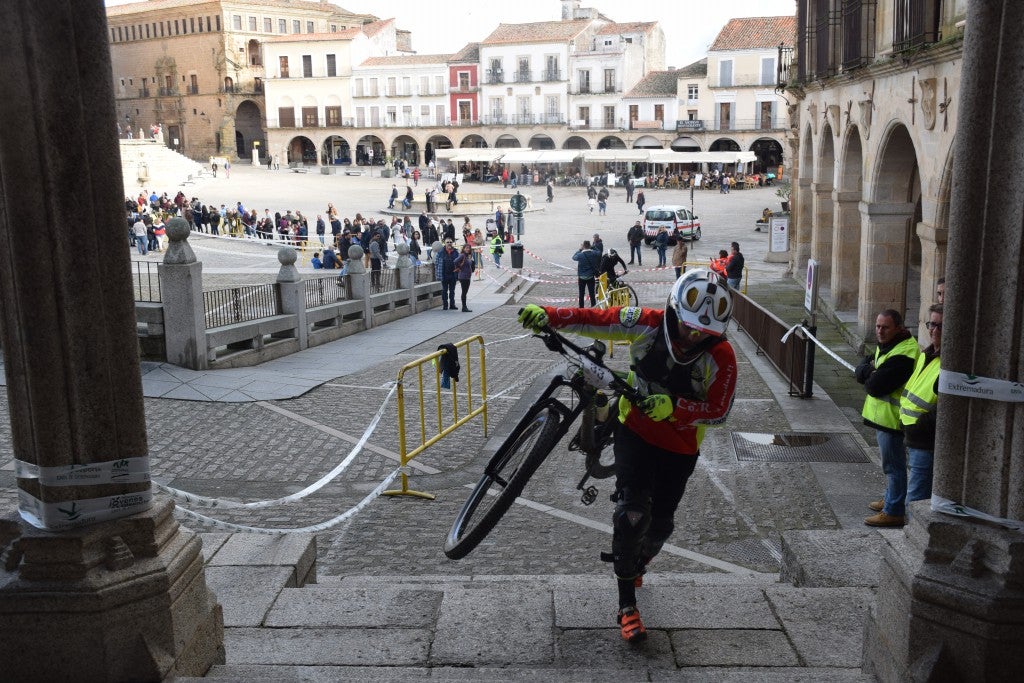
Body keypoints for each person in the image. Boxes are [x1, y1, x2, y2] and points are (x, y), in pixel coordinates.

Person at [516, 270, 738, 642]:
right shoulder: (648, 324)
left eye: (705, 333)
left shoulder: (722, 356)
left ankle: (639, 563)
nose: (694, 336)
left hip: (680, 449)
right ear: (673, 310)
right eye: (688, 326)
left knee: (660, 526)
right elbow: (597, 320)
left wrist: (676, 409)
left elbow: (721, 410)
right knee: (632, 515)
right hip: (634, 430)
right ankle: (626, 606)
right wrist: (549, 315)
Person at [855, 309, 920, 527]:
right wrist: (869, 370)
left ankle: (893, 509)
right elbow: (860, 369)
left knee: (894, 466)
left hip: (893, 419)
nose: (879, 331)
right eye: (877, 326)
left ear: (899, 328)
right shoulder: (888, 345)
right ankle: (891, 497)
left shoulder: (903, 354)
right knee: (890, 465)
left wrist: (870, 372)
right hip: (883, 418)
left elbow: (874, 386)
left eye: (885, 327)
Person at [900, 304, 942, 515]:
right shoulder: (926, 354)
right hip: (911, 434)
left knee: (915, 500)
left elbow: (943, 410)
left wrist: (918, 426)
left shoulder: (948, 365)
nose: (933, 330)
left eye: (939, 326)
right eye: (931, 324)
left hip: (925, 439)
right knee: (915, 492)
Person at [573, 240, 602, 307]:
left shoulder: (580, 255)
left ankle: (581, 308)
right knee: (592, 294)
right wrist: (593, 247)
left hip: (582, 277)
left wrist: (580, 249)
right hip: (590, 276)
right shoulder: (593, 253)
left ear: (583, 246)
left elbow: (574, 257)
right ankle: (593, 307)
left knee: (581, 294)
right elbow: (599, 252)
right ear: (589, 246)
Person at [435, 239, 459, 310]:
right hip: (444, 274)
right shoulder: (440, 252)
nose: (449, 243)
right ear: (444, 243)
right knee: (444, 290)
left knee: (452, 291)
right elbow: (436, 264)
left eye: (450, 242)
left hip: (453, 274)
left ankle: (452, 305)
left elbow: (459, 262)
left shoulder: (455, 252)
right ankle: (445, 305)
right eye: (447, 242)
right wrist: (438, 273)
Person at [453, 243, 475, 312]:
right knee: (464, 292)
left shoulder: (469, 256)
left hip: (467, 276)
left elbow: (470, 264)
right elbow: (455, 261)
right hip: (463, 276)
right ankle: (464, 307)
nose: (468, 249)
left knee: (465, 292)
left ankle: (464, 307)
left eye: (469, 248)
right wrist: (459, 267)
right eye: (466, 248)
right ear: (463, 248)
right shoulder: (462, 255)